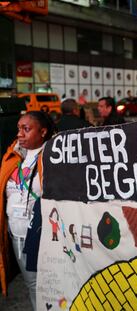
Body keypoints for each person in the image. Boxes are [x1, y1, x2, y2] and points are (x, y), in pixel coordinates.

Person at [0, 111, 55, 308]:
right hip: (16, 234)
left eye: (26, 129)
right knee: (32, 283)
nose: (20, 134)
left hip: (42, 235)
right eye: (18, 129)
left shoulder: (52, 158)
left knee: (46, 284)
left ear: (43, 132)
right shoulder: (11, 156)